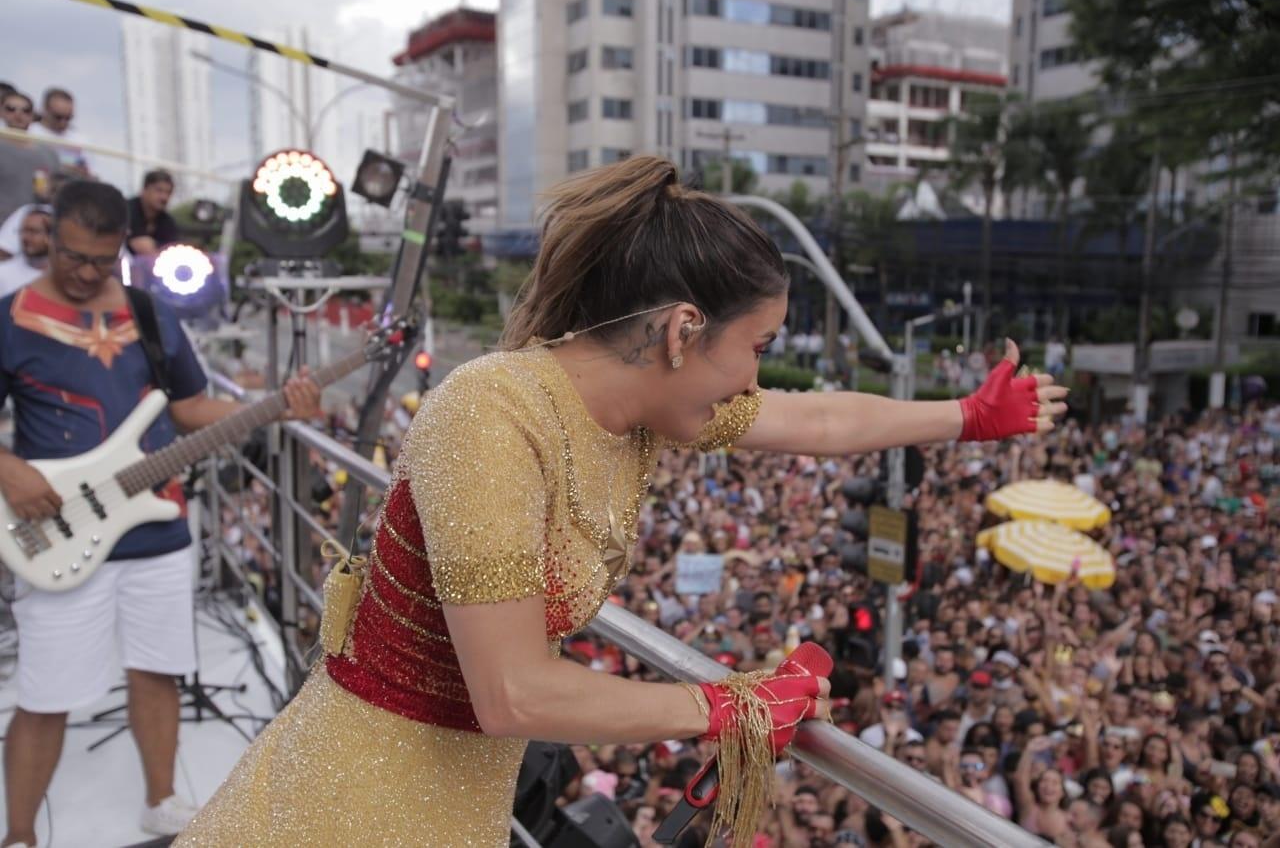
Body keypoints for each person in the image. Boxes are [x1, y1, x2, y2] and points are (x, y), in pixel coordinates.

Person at [177, 155, 1066, 846]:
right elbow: (514, 692)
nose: (758, 374)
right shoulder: (492, 411)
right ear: (683, 330)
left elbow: (821, 417)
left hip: (459, 796)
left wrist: (966, 416)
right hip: (353, 801)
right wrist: (726, 704)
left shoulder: (640, 412)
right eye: (758, 345)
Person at [0, 181, 320, 847]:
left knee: (158, 668)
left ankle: (160, 799)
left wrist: (271, 406)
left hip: (159, 526)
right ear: (47, 237)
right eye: (72, 256)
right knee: (44, 692)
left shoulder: (151, 312)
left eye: (102, 258)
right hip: (58, 532)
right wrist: (10, 470)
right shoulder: (9, 317)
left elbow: (189, 408)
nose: (87, 272)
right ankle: (21, 834)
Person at [0, 96, 58, 230]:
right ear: (1, 113)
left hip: (35, 231)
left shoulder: (48, 152)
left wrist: (49, 193)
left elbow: (56, 191)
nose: (18, 114)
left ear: (32, 115)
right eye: (11, 109)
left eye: (26, 110)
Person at [29, 88, 88, 175]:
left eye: (68, 118)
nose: (63, 122)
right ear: (44, 110)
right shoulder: (29, 133)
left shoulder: (82, 140)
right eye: (58, 117)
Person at [126, 169, 178, 255]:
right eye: (159, 190)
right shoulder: (126, 211)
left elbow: (174, 250)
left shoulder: (167, 221)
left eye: (168, 192)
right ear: (144, 190)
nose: (164, 197)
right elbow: (144, 248)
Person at [0, 207, 49, 298]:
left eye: (33, 231)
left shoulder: (64, 278)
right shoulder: (2, 274)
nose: (25, 237)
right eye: (23, 231)